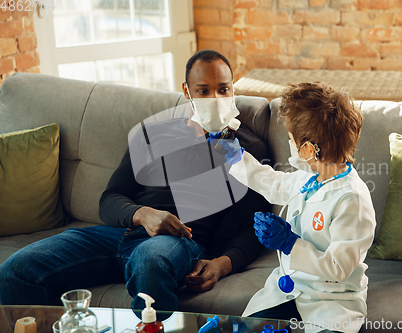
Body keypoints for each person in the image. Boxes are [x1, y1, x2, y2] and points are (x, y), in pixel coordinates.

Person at [0, 50, 271, 314]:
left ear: (232, 90)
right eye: (203, 91)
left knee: (150, 262)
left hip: (176, 243)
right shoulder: (153, 134)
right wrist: (142, 215)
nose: (215, 99)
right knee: (16, 271)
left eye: (223, 90)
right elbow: (110, 199)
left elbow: (252, 226)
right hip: (117, 235)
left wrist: (222, 264)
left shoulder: (247, 149)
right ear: (187, 92)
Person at [217, 82, 376, 333]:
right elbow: (271, 183)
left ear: (309, 149)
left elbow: (338, 268)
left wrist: (290, 243)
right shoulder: (310, 177)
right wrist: (234, 154)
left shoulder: (352, 200)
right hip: (287, 290)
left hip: (331, 300)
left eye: (291, 139)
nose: (289, 143)